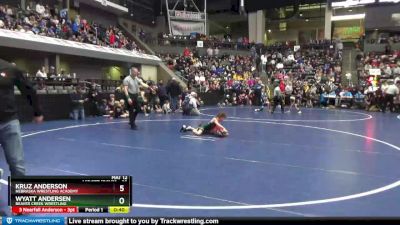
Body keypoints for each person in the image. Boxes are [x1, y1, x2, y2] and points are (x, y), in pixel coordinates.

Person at [0, 59, 43, 176]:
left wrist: (37, 112)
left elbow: (28, 90)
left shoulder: (9, 68)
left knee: (17, 164)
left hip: (9, 122)